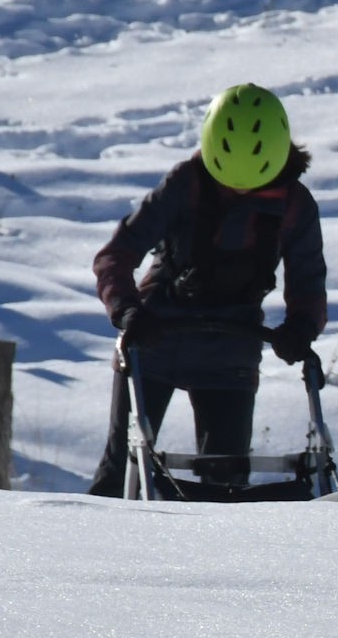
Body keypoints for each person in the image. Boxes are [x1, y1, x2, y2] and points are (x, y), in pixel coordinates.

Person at [89, 84, 326, 495]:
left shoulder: (294, 205)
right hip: (155, 335)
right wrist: (127, 311)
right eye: (229, 183)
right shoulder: (186, 183)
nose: (238, 192)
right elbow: (116, 255)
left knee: (225, 485)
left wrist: (301, 329)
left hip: (233, 345)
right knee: (122, 470)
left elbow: (308, 282)